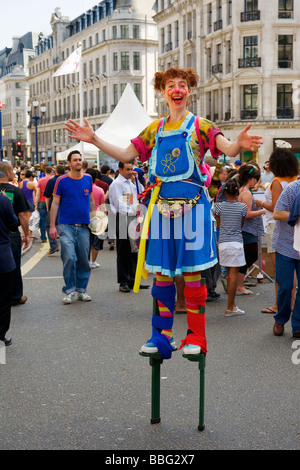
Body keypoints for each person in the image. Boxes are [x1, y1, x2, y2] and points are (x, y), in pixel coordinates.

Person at [65, 66, 262, 358]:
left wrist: (238, 145)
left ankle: (196, 336)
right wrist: (93, 139)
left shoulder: (201, 125)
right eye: (171, 85)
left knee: (193, 276)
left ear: (189, 91)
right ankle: (162, 335)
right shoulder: (154, 130)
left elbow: (227, 148)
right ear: (162, 92)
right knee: (162, 276)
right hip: (159, 210)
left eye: (182, 84)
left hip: (193, 209)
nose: (177, 89)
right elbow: (124, 155)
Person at [49, 151, 96, 304]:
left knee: (83, 260)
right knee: (69, 257)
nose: (78, 162)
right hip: (66, 225)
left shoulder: (88, 178)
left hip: (84, 226)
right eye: (75, 160)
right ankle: (69, 290)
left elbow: (90, 200)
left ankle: (81, 290)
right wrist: (52, 226)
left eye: (80, 160)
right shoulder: (61, 181)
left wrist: (95, 218)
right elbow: (54, 204)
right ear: (68, 163)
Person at [256, 148, 299, 314]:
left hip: (277, 225)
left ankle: (279, 305)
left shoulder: (277, 181)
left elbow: (275, 207)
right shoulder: (295, 179)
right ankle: (293, 303)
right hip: (293, 225)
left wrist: (260, 204)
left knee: (280, 271)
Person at [108, 161, 146, 292]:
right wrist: (134, 211)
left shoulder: (132, 183)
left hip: (134, 217)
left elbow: (142, 193)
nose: (130, 172)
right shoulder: (117, 184)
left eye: (132, 169)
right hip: (124, 217)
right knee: (124, 249)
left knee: (134, 249)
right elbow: (120, 205)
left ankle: (133, 279)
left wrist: (137, 179)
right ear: (120, 169)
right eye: (128, 169)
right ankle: (123, 281)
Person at [215, 180, 247, 316]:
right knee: (233, 275)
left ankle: (232, 304)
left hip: (223, 242)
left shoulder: (219, 207)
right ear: (238, 192)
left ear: (225, 193)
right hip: (236, 242)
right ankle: (230, 307)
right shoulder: (243, 207)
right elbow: (241, 224)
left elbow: (218, 224)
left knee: (229, 275)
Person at [272, 179, 300, 338]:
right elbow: (277, 213)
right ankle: (281, 319)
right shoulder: (293, 188)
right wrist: (296, 215)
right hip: (286, 244)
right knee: (285, 285)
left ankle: (297, 325)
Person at [0, 162, 30, 306]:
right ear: (7, 173)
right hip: (10, 234)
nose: (14, 173)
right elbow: (23, 215)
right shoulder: (15, 191)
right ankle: (15, 296)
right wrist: (26, 234)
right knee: (14, 266)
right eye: (12, 170)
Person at [236, 165, 265, 295]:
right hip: (248, 229)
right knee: (250, 255)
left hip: (246, 228)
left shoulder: (242, 190)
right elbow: (247, 213)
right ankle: (239, 285)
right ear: (251, 178)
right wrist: (263, 211)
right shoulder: (246, 193)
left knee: (246, 256)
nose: (256, 182)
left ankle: (237, 284)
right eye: (255, 179)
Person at [0, 192, 19, 346]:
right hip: (2, 258)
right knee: (3, 299)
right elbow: (13, 224)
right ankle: (1, 335)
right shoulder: (3, 200)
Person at [85, 168, 106, 268]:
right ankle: (93, 262)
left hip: (84, 217)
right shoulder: (100, 190)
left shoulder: (83, 190)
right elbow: (103, 206)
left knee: (85, 240)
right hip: (97, 217)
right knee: (96, 241)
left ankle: (86, 261)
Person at [44, 164, 65, 255]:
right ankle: (66, 246)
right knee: (64, 226)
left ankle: (53, 246)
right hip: (66, 207)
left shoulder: (51, 181)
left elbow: (47, 196)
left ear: (55, 171)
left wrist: (48, 207)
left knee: (49, 225)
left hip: (54, 206)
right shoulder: (67, 180)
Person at [35, 165, 53, 243]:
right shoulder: (53, 180)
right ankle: (52, 236)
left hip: (42, 201)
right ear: (52, 172)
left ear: (45, 172)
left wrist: (36, 203)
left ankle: (43, 237)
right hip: (52, 202)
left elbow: (38, 193)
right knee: (52, 220)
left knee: (42, 220)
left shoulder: (40, 180)